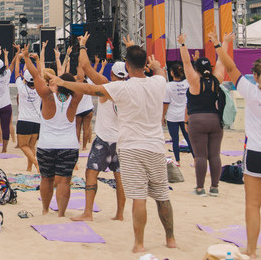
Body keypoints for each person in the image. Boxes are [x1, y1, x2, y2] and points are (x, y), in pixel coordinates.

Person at [56, 43, 176, 254]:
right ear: (144, 64)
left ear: (127, 66)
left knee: (139, 198)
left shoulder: (121, 87)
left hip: (132, 148)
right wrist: (155, 65)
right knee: (162, 196)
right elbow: (159, 71)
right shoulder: (159, 82)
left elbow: (89, 88)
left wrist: (62, 82)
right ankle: (171, 239)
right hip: (157, 147)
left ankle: (139, 243)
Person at [211, 22, 261, 259]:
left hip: (258, 153)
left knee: (252, 206)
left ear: (255, 76)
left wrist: (218, 44)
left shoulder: (252, 92)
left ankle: (253, 251)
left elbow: (231, 67)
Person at [71, 40, 126, 223]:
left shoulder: (107, 86)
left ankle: (88, 212)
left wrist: (83, 46)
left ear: (111, 73)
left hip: (104, 139)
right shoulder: (132, 87)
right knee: (119, 178)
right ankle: (120, 214)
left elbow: (85, 66)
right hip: (121, 140)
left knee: (91, 173)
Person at [23, 46, 81, 216]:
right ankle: (61, 213)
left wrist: (26, 58)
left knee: (46, 179)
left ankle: (45, 210)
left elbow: (36, 75)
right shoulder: (75, 98)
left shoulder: (48, 96)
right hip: (69, 146)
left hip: (47, 145)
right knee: (64, 182)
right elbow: (81, 79)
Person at [178, 34, 225, 197]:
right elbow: (221, 61)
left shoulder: (194, 81)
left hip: (197, 120)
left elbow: (185, 62)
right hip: (215, 120)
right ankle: (214, 187)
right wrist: (221, 44)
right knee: (214, 155)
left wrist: (183, 44)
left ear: (196, 69)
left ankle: (200, 188)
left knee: (200, 156)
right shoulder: (217, 79)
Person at [13, 48, 41, 172]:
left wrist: (19, 59)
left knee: (23, 146)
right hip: (36, 121)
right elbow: (39, 74)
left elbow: (17, 73)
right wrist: (38, 60)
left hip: (25, 120)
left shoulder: (22, 87)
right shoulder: (40, 87)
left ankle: (35, 163)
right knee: (31, 146)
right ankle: (29, 167)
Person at [163, 60, 191, 165]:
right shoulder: (187, 83)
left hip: (172, 115)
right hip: (184, 115)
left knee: (175, 140)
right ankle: (195, 159)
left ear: (172, 73)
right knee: (188, 138)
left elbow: (166, 103)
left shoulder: (168, 86)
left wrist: (162, 116)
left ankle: (178, 161)